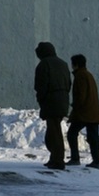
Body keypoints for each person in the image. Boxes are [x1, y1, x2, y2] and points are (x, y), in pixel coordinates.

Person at [34, 41, 71, 170]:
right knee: (54, 130)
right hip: (63, 100)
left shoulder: (44, 64)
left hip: (50, 101)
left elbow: (41, 85)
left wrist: (41, 99)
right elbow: (68, 83)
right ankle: (55, 158)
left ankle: (57, 159)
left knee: (54, 131)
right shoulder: (63, 64)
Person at [66, 53, 99, 169]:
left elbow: (80, 96)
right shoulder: (88, 75)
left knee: (72, 133)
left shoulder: (80, 76)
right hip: (92, 111)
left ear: (76, 65)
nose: (72, 66)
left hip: (84, 112)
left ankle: (75, 158)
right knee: (93, 137)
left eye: (72, 64)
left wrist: (75, 108)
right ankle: (97, 161)